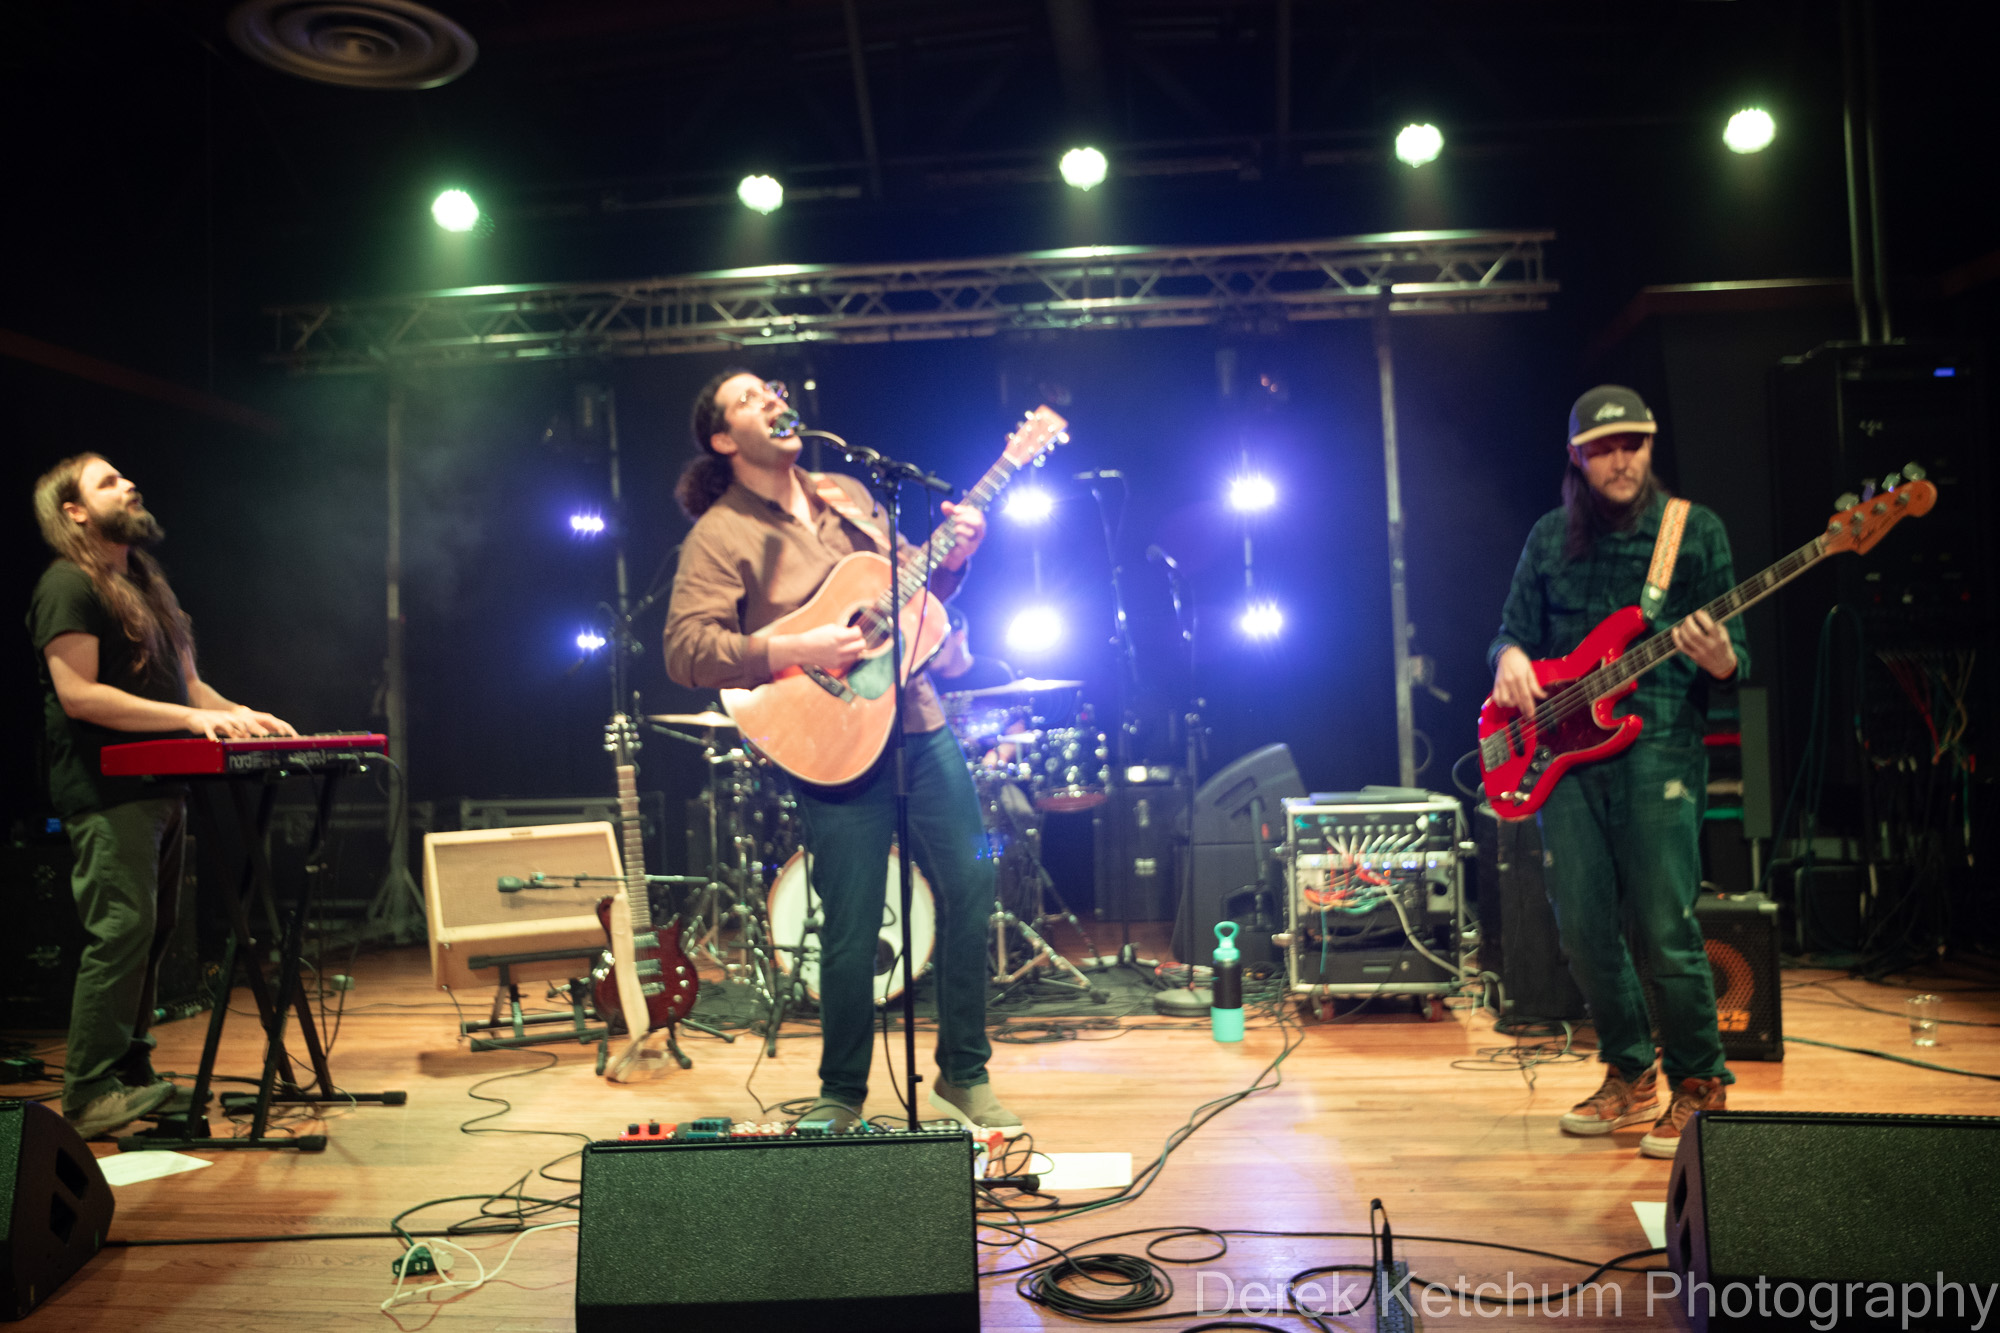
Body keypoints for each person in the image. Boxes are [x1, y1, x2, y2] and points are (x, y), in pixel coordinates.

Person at [663, 370, 1020, 1135]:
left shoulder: (849, 494)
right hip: (828, 739)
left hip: (918, 721)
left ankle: (963, 1071)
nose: (771, 399)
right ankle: (843, 1092)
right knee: (852, 922)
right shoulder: (720, 533)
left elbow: (912, 598)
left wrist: (955, 558)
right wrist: (798, 645)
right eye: (749, 398)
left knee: (973, 878)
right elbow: (686, 649)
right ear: (724, 439)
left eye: (772, 389)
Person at [1487, 386, 1749, 1160]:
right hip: (1566, 757)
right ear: (1577, 457)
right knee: (1582, 929)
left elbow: (1737, 657)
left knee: (1665, 926)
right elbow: (1510, 631)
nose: (1621, 458)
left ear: (1651, 445)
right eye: (1604, 447)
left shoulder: (1693, 529)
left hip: (1659, 743)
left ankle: (1700, 1083)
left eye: (1633, 443)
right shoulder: (1547, 537)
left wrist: (1721, 655)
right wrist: (1508, 657)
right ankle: (1630, 1071)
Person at [28, 453, 295, 1140]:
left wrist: (241, 714)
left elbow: (189, 688)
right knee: (122, 930)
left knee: (153, 934)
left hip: (161, 785)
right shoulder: (66, 583)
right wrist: (190, 720)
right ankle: (89, 1091)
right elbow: (79, 695)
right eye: (108, 482)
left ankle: (132, 1071)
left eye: (125, 478)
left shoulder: (144, 584)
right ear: (74, 512)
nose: (129, 486)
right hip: (106, 788)